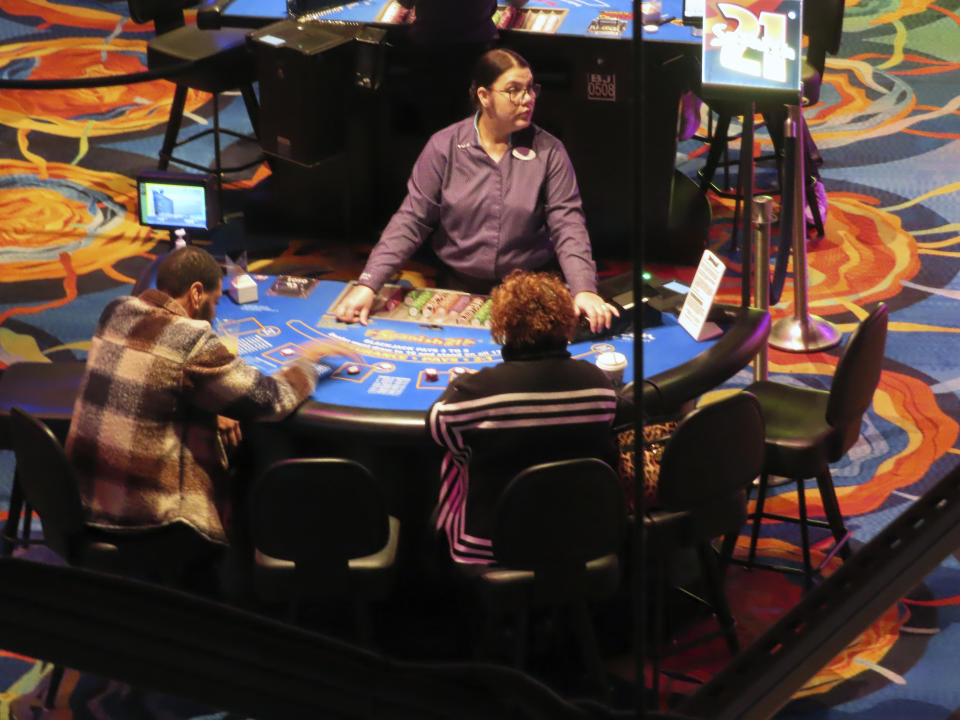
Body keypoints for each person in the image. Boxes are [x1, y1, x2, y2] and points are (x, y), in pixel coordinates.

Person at [66, 246, 358, 550]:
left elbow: (156, 380)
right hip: (149, 519)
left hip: (84, 501)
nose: (216, 312)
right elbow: (271, 400)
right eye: (215, 300)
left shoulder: (115, 310)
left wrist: (214, 404)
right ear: (196, 293)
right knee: (256, 447)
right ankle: (247, 557)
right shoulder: (191, 339)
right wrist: (307, 362)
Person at [336, 48, 618, 334]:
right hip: (460, 287)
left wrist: (584, 288)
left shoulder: (550, 151)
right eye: (514, 90)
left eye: (531, 88)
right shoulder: (443, 146)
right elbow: (411, 220)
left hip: (529, 289)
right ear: (484, 96)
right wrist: (369, 283)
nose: (528, 99)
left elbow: (567, 225)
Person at [427, 270, 627, 565]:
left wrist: (460, 387)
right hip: (580, 536)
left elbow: (438, 429)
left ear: (501, 328)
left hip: (488, 545)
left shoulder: (475, 391)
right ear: (568, 326)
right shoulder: (598, 383)